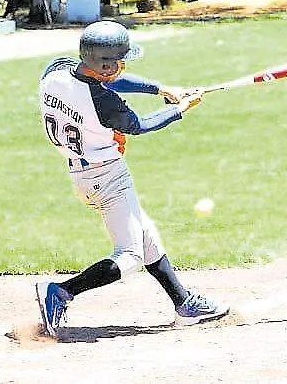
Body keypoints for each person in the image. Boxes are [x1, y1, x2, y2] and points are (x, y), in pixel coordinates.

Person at [35, 20, 229, 338]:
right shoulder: (104, 103)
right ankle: (61, 291)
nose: (124, 65)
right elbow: (138, 125)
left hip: (81, 173)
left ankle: (184, 302)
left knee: (146, 235)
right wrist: (180, 108)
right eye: (120, 60)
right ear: (107, 65)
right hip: (107, 176)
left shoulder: (56, 74)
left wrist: (160, 89)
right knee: (130, 254)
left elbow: (107, 80)